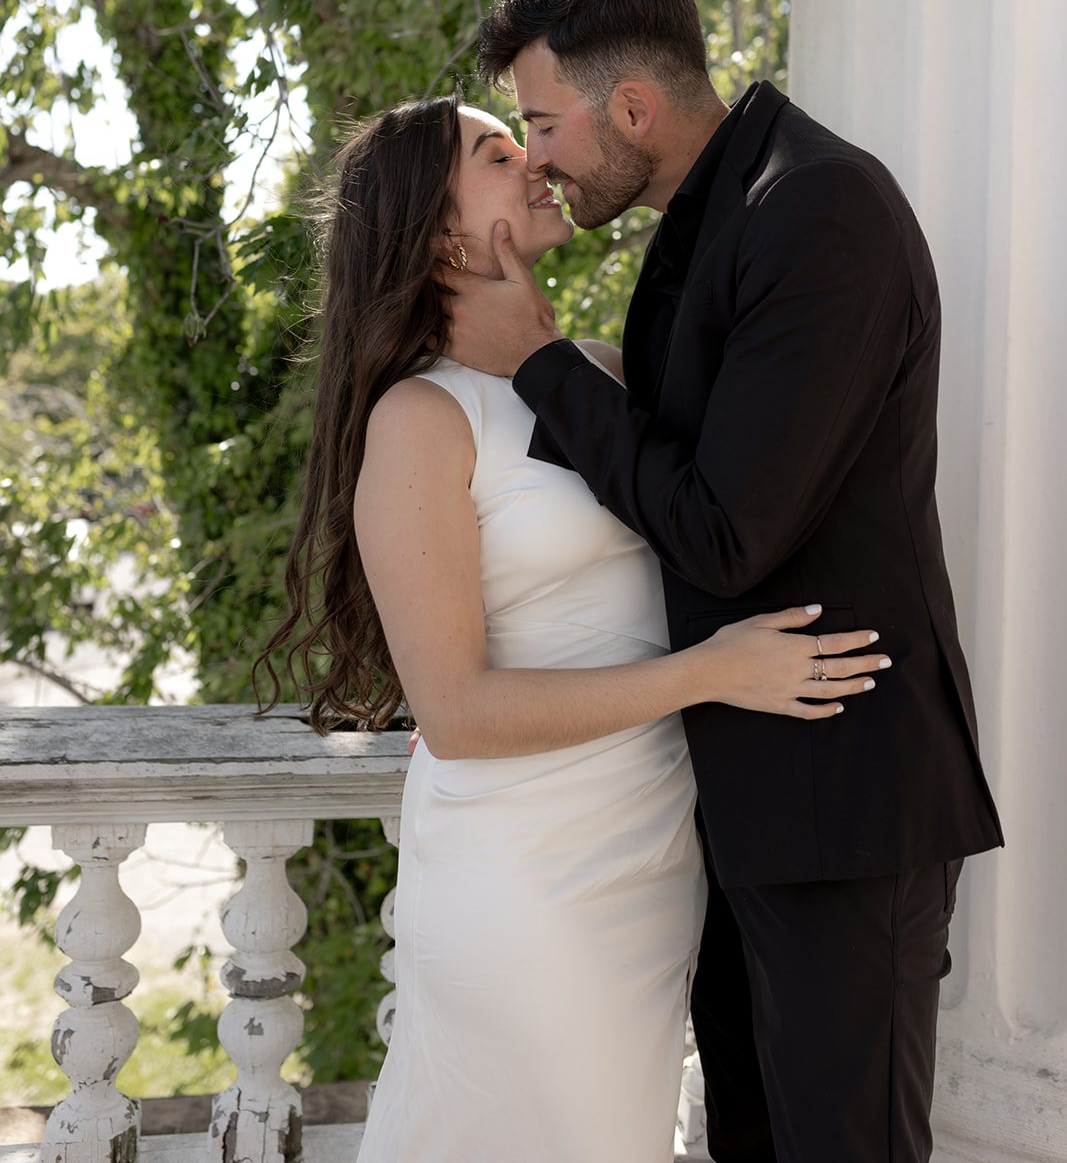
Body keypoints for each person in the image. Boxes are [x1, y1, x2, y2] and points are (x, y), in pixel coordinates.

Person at [444, 0, 1004, 1163]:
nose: (532, 155)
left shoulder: (817, 209)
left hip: (840, 803)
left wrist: (539, 361)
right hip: (739, 812)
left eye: (540, 124)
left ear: (630, 109)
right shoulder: (708, 225)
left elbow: (725, 530)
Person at [257, 93, 887, 1163]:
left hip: (645, 866)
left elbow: (723, 515)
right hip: (525, 882)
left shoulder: (597, 370)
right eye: (498, 153)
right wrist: (708, 674)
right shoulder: (421, 419)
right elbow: (454, 712)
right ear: (441, 231)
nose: (534, 160)